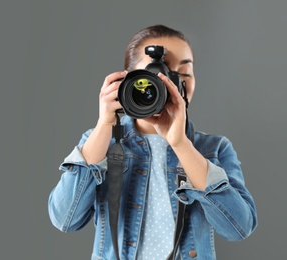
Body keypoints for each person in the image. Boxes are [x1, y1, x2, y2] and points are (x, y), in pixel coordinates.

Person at [48, 24, 257, 260]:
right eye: (158, 73)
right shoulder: (100, 141)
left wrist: (181, 145)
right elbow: (64, 219)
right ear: (126, 80)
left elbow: (239, 228)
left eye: (184, 74)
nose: (173, 82)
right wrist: (105, 125)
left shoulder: (214, 149)